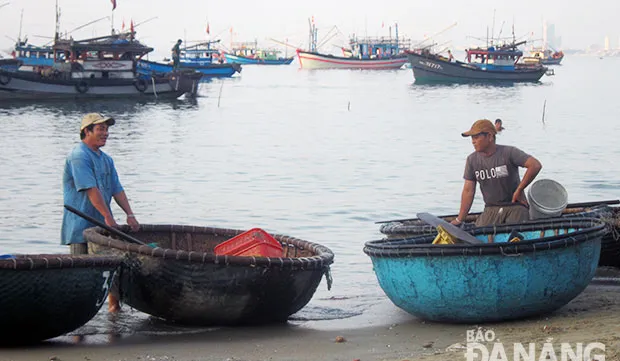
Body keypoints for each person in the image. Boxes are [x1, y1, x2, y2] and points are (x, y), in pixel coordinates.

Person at [61, 113, 140, 313]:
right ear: (86, 132)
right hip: (80, 226)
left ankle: (114, 310)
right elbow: (91, 190)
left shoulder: (106, 160)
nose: (105, 133)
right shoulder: (79, 155)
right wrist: (108, 217)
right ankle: (78, 319)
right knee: (80, 276)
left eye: (106, 129)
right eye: (100, 129)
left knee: (111, 272)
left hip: (103, 227)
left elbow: (117, 189)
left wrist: (130, 214)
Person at [451, 119, 542, 228]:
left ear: (489, 137)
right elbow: (468, 191)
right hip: (491, 209)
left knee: (514, 234)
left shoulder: (509, 152)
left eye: (476, 137)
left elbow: (535, 165)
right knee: (479, 233)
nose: (473, 141)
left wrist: (519, 190)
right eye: (472, 138)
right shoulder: (472, 160)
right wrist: (459, 219)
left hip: (514, 206)